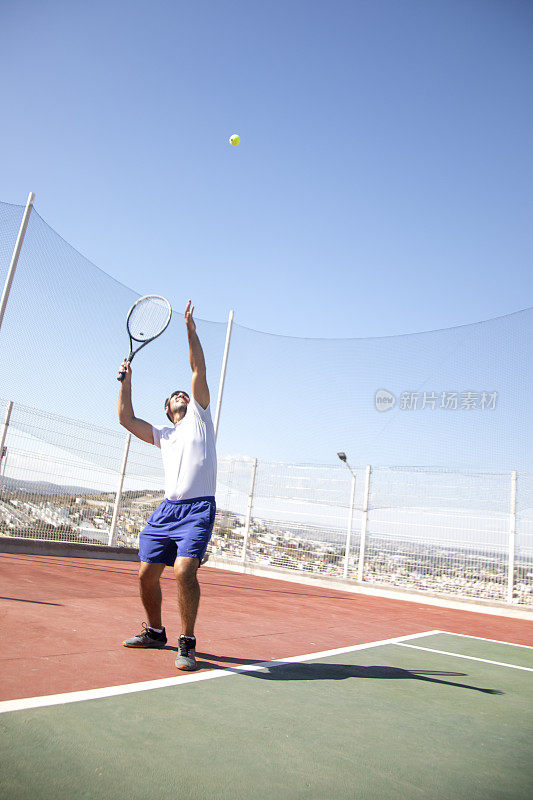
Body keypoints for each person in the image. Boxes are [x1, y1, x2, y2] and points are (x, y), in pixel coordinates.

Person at [118, 300, 216, 671]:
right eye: (175, 397)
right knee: (146, 574)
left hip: (198, 509)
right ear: (166, 410)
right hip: (167, 510)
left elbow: (197, 368)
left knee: (183, 572)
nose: (182, 396)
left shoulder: (200, 419)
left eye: (185, 395)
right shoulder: (164, 435)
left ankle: (187, 642)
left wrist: (190, 330)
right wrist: (127, 382)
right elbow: (126, 418)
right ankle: (156, 632)